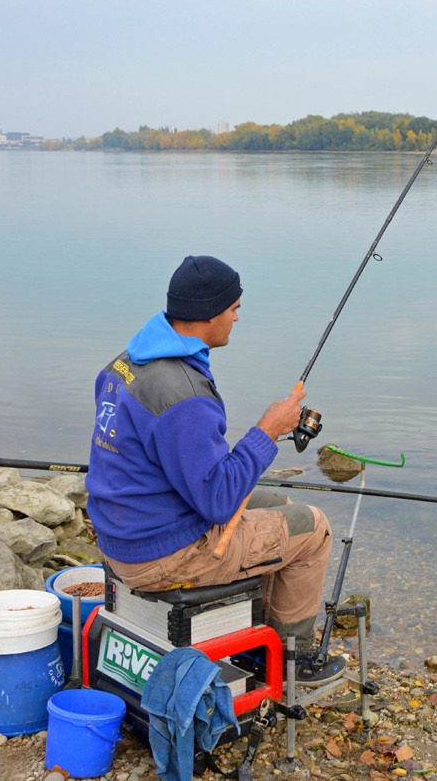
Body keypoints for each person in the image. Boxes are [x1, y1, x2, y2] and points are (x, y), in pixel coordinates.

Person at [86, 255, 340, 685]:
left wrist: (266, 434)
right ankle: (293, 662)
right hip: (161, 555)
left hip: (122, 533)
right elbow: (219, 501)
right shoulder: (183, 393)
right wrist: (267, 430)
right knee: (312, 529)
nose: (237, 317)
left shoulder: (124, 364)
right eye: (234, 308)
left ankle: (252, 635)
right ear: (209, 314)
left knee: (278, 503)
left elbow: (184, 460)